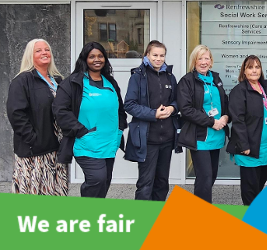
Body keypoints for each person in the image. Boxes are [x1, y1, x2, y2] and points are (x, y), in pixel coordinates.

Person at [52, 42, 127, 198]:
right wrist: (81, 131)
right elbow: (60, 110)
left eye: (100, 56)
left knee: (104, 182)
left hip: (109, 143)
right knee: (96, 179)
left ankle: (95, 216)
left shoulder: (110, 82)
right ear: (85, 59)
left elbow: (120, 109)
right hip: (87, 143)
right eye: (92, 56)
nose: (96, 59)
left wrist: (120, 128)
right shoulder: (73, 83)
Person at [7, 38, 68, 195]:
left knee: (55, 193)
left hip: (56, 149)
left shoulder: (57, 80)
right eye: (38, 50)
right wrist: (33, 140)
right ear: (30, 55)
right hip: (34, 152)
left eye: (47, 49)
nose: (44, 53)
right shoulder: (22, 81)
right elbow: (16, 114)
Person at [124, 40, 181, 201]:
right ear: (147, 55)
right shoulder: (137, 76)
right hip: (147, 139)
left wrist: (172, 108)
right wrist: (153, 114)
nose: (158, 58)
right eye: (155, 55)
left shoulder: (170, 76)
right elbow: (129, 105)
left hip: (167, 138)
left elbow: (177, 101)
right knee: (145, 184)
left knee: (162, 183)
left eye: (162, 55)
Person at [226, 55, 267, 206]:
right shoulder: (239, 91)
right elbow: (238, 121)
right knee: (250, 190)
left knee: (259, 185)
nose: (254, 70)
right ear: (244, 71)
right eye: (250, 67)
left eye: (257, 67)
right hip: (250, 148)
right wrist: (244, 145)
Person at [177, 45, 229, 203]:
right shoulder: (187, 81)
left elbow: (224, 102)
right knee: (204, 177)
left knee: (211, 175)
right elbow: (186, 109)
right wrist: (212, 122)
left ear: (211, 61)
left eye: (207, 58)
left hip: (217, 135)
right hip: (200, 137)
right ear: (194, 61)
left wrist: (226, 117)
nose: (204, 62)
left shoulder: (216, 79)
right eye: (200, 58)